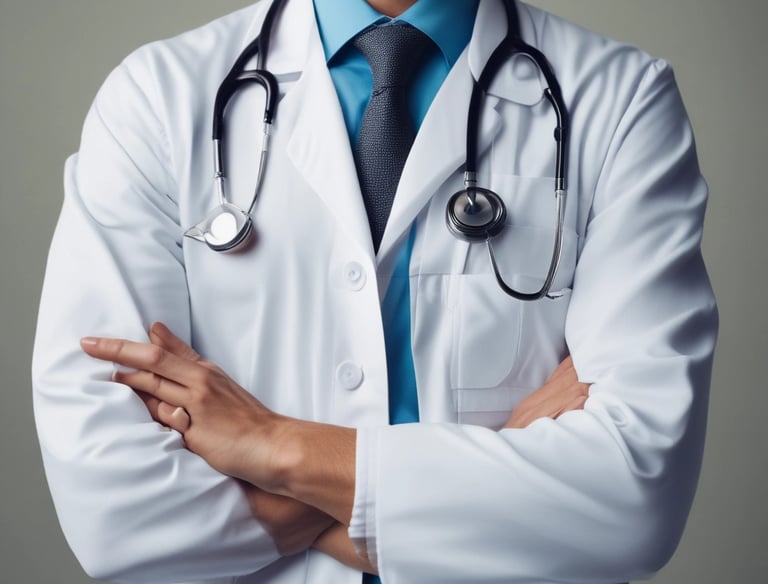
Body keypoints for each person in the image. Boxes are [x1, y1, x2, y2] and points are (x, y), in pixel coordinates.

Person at [32, 0, 718, 582]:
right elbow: (115, 516)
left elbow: (634, 498)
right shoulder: (159, 97)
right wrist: (500, 460)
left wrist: (276, 448)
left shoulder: (618, 99)